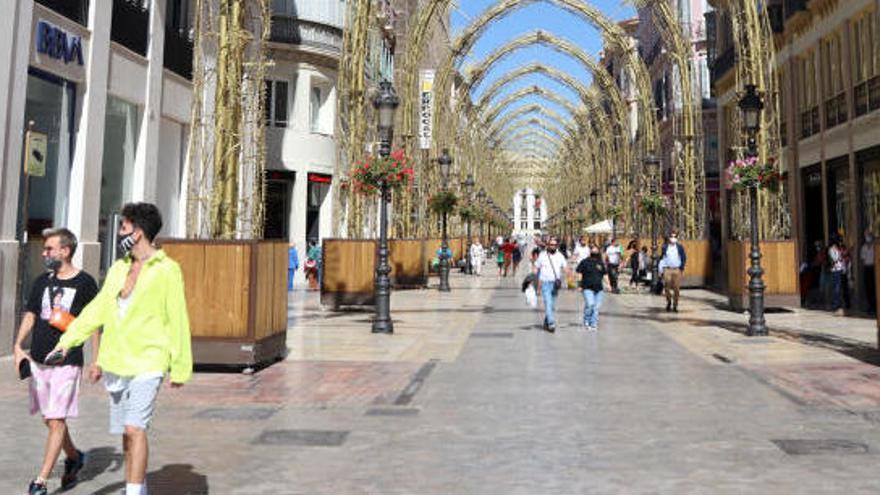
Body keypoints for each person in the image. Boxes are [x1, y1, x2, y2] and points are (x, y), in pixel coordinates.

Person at [52, 203, 192, 495]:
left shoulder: (168, 270)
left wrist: (180, 366)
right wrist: (67, 341)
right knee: (127, 436)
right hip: (117, 360)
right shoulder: (119, 268)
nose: (119, 233)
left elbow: (178, 318)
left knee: (134, 428)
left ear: (138, 233)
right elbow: (98, 309)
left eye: (123, 228)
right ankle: (138, 487)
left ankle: (132, 492)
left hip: (150, 359)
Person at [14, 229, 99, 495]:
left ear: (65, 251)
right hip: (39, 360)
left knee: (57, 417)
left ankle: (41, 480)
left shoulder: (85, 283)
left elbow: (95, 324)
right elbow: (31, 314)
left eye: (49, 249)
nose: (44, 253)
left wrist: (97, 360)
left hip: (67, 359)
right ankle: (74, 457)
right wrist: (17, 345)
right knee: (49, 420)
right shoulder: (42, 281)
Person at [534, 237, 569, 333]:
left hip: (555, 284)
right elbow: (536, 267)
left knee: (552, 306)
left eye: (554, 245)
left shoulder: (560, 256)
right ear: (548, 245)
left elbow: (565, 267)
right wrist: (535, 282)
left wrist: (570, 277)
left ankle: (546, 322)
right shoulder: (542, 255)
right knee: (548, 303)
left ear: (557, 246)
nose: (553, 246)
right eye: (551, 245)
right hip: (545, 283)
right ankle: (551, 323)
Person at [576, 244, 607, 331]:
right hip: (587, 287)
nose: (594, 251)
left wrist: (608, 285)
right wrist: (579, 284)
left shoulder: (600, 263)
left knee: (596, 307)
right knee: (590, 304)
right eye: (593, 250)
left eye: (596, 250)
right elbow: (579, 273)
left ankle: (593, 323)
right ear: (590, 252)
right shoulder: (585, 262)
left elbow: (605, 274)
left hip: (599, 288)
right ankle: (586, 320)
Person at [659, 232, 687, 312]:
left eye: (675, 237)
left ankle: (675, 305)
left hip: (677, 269)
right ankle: (669, 301)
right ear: (669, 238)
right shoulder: (665, 247)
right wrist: (661, 269)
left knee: (676, 288)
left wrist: (681, 268)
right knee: (666, 287)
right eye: (672, 236)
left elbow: (683, 257)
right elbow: (662, 258)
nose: (673, 238)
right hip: (667, 269)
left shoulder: (679, 247)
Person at [861, 230, 876, 314]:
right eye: (866, 235)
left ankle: (875, 305)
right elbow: (863, 260)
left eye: (868, 235)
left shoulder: (875, 246)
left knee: (874, 288)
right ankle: (870, 306)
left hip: (874, 268)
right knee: (868, 288)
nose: (867, 237)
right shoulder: (863, 247)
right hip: (867, 268)